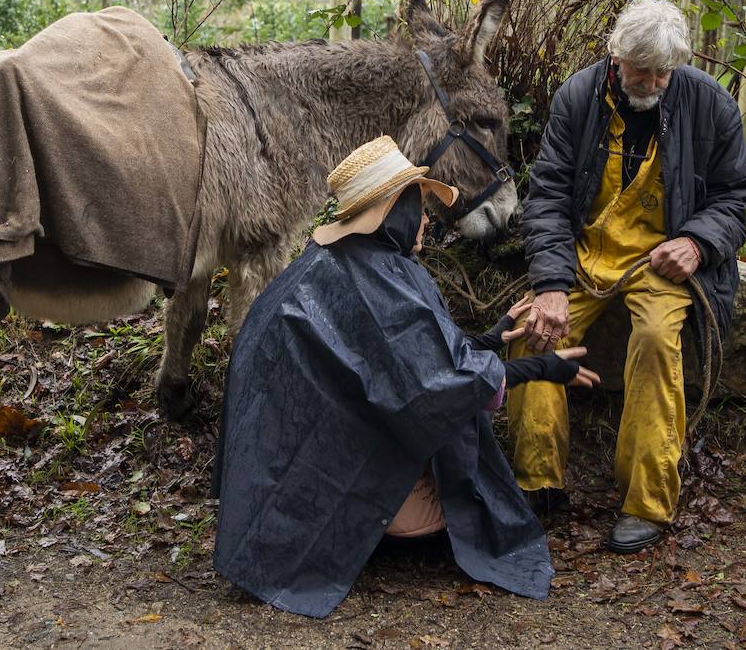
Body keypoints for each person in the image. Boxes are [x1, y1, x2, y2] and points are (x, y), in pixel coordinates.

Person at [212, 135, 599, 618]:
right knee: (453, 447)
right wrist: (543, 367)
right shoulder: (378, 279)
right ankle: (382, 525)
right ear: (391, 211)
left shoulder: (338, 264)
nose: (425, 222)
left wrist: (493, 336)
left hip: (275, 486)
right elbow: (438, 389)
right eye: (417, 207)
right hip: (316, 486)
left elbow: (413, 363)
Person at [513, 0, 746, 554]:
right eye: (638, 70)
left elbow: (737, 194)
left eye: (661, 73)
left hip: (661, 260)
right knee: (533, 330)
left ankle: (645, 501)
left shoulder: (710, 103)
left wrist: (698, 243)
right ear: (614, 57)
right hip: (584, 254)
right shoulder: (578, 96)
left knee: (653, 339)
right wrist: (550, 285)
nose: (649, 82)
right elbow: (548, 196)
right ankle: (538, 485)